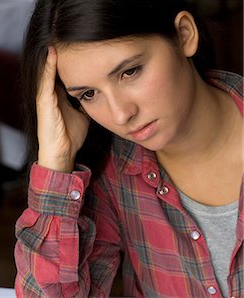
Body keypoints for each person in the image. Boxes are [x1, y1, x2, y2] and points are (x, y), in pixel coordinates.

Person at [14, 0, 243, 297]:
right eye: (89, 94)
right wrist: (56, 162)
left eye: (130, 72)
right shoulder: (110, 173)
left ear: (184, 34)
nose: (121, 114)